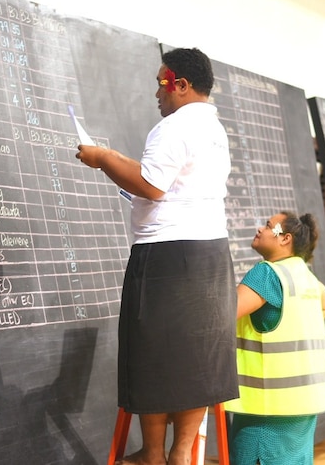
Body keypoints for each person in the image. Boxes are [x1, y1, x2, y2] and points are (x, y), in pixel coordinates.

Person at [76, 47, 238, 465]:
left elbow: (151, 184)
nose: (157, 94)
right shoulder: (215, 129)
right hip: (211, 256)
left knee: (150, 352)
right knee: (196, 356)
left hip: (167, 257)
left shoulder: (174, 126)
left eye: (161, 83)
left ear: (181, 84)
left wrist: (103, 158)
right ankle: (182, 452)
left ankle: (152, 453)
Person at [224, 211, 325, 465]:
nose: (260, 230)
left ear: (285, 239)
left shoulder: (267, 274)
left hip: (265, 414)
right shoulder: (305, 277)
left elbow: (222, 316)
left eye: (267, 226)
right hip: (303, 407)